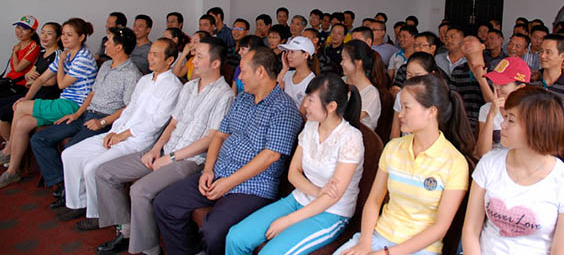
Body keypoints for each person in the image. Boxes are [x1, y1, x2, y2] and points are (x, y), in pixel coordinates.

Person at [152, 48, 303, 255]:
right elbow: (219, 136)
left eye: (243, 71)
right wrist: (208, 170)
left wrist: (228, 183)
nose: (239, 77)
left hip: (252, 187)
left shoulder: (283, 108)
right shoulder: (242, 99)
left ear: (260, 72)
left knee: (213, 232)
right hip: (218, 173)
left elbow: (271, 156)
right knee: (165, 203)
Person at [94, 36, 234, 255]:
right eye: (194, 55)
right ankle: (126, 230)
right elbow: (173, 122)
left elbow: (211, 139)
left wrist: (172, 158)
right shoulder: (189, 87)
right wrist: (155, 149)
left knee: (140, 190)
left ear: (215, 63)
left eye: (199, 57)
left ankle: (150, 249)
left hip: (189, 161)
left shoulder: (225, 95)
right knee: (105, 172)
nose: (193, 61)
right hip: (166, 151)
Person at [334, 73, 473, 255]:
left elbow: (440, 228)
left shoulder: (455, 163)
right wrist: (365, 243)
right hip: (379, 237)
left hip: (421, 249)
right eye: (401, 107)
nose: (400, 114)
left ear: (431, 111)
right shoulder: (393, 148)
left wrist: (388, 253)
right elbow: (374, 201)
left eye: (407, 107)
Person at [226, 73, 364, 255]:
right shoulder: (311, 126)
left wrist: (287, 220)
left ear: (331, 106)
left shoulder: (351, 138)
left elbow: (332, 197)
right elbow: (293, 173)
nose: (305, 104)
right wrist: (317, 191)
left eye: (311, 100)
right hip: (300, 198)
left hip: (331, 213)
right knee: (235, 238)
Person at [59, 38, 181, 230]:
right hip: (119, 132)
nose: (150, 58)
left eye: (156, 55)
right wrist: (114, 130)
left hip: (138, 141)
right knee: (70, 154)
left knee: (92, 167)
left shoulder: (174, 86)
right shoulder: (145, 80)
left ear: (170, 60)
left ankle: (97, 214)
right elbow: (130, 108)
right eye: (150, 53)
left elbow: (156, 122)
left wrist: (123, 135)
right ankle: (79, 203)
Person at [462, 86, 564, 255]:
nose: (502, 125)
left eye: (511, 120)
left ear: (536, 127)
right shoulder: (489, 163)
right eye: (505, 117)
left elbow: (561, 252)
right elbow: (471, 230)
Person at [30, 27, 141, 207]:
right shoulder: (106, 65)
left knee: (71, 150)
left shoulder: (131, 74)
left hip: (104, 120)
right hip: (85, 115)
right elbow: (92, 93)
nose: (105, 43)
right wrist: (77, 113)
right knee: (39, 139)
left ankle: (74, 196)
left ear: (119, 47)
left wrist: (102, 122)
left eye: (109, 40)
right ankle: (63, 184)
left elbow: (129, 107)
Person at [0, 18, 97, 188]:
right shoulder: (67, 54)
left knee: (20, 108)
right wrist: (27, 98)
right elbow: (40, 80)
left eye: (69, 35)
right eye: (64, 34)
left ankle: (8, 151)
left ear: (81, 37)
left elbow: (61, 84)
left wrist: (60, 63)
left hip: (74, 106)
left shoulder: (83, 57)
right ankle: (13, 172)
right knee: (23, 123)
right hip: (63, 102)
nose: (65, 38)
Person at [0, 22, 62, 143]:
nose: (44, 36)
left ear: (58, 37)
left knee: (3, 113)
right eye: (42, 33)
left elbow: (51, 82)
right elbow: (29, 75)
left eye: (49, 34)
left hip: (45, 96)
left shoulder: (59, 55)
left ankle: (10, 146)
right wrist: (32, 80)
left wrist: (34, 81)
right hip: (32, 91)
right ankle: (9, 145)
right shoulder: (42, 52)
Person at [476, 57, 530, 158]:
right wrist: (491, 115)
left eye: (503, 85)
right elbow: (482, 154)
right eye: (495, 83)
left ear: (520, 88)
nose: (497, 88)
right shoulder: (486, 109)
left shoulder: (531, 112)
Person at [389, 52, 447, 139]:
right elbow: (395, 132)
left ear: (432, 74)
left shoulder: (437, 97)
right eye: (409, 75)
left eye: (418, 75)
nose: (413, 79)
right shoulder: (401, 95)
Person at [533, 34, 564, 119]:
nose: (542, 56)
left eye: (548, 52)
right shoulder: (531, 83)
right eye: (541, 51)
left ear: (563, 56)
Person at [341, 40, 386, 131]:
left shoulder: (371, 94)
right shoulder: (341, 81)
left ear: (358, 63)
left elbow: (350, 119)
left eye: (344, 59)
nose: (341, 63)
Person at [391, 31, 439, 96]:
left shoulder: (439, 71)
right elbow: (395, 90)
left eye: (421, 45)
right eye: (415, 46)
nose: (416, 49)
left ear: (432, 48)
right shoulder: (404, 68)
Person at [2, 15, 41, 95]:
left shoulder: (34, 47)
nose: (20, 31)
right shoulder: (18, 46)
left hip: (19, 84)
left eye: (24, 29)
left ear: (32, 32)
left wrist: (14, 53)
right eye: (18, 27)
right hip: (9, 80)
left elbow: (18, 69)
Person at [278, 36, 318, 110]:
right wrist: (284, 69)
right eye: (288, 52)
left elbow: (303, 113)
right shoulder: (287, 74)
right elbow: (274, 93)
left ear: (305, 55)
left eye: (292, 52)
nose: (288, 56)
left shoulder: (312, 82)